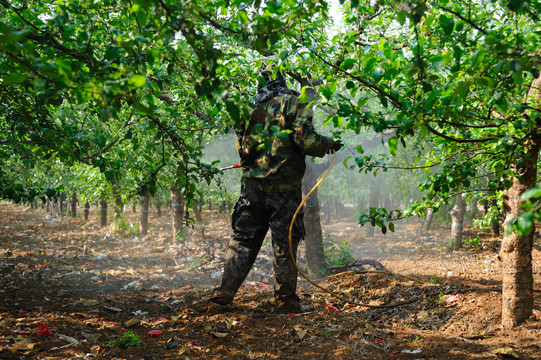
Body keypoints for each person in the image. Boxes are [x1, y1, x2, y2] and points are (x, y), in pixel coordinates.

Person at [211, 60, 342, 313]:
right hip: (284, 191)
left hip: (251, 187)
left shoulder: (247, 107)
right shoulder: (294, 103)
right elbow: (307, 141)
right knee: (285, 243)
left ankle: (223, 295)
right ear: (282, 78)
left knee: (243, 240)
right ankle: (285, 303)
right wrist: (329, 144)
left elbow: (243, 148)